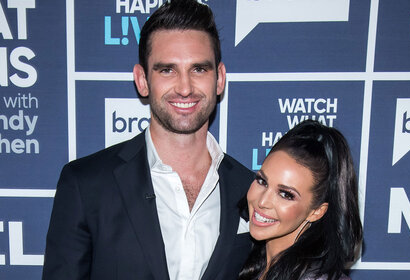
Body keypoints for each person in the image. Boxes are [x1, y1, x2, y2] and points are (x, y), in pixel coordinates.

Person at [42, 1, 254, 279]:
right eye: (167, 70)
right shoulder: (86, 185)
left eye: (199, 69)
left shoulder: (250, 190)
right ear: (142, 80)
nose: (185, 87)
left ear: (219, 79)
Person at [238, 120, 363, 280]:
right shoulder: (252, 267)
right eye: (262, 181)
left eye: (285, 194)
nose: (262, 202)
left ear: (317, 211)